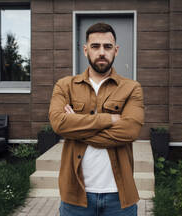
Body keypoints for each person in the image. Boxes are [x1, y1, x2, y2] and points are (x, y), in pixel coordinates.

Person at [49, 22, 145, 216]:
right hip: (75, 196)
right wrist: (110, 119)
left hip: (119, 197)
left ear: (116, 50)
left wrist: (76, 125)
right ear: (85, 50)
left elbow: (131, 130)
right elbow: (59, 124)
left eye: (107, 47)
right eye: (95, 46)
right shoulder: (65, 85)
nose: (102, 52)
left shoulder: (132, 88)